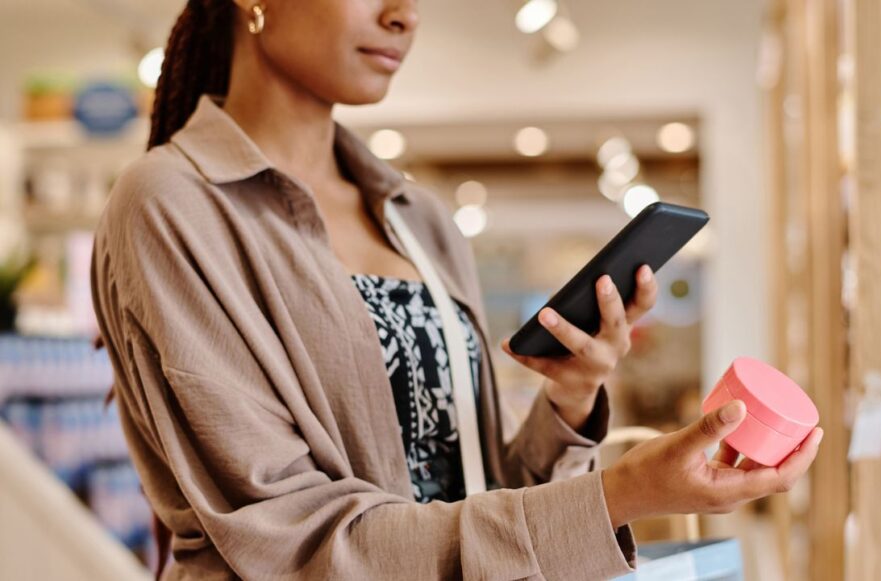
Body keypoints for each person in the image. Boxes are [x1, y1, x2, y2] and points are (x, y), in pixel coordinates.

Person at [89, 0, 823, 579]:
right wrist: (622, 494)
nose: (405, 14)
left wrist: (567, 404)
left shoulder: (419, 218)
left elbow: (474, 496)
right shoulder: (172, 204)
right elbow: (298, 545)